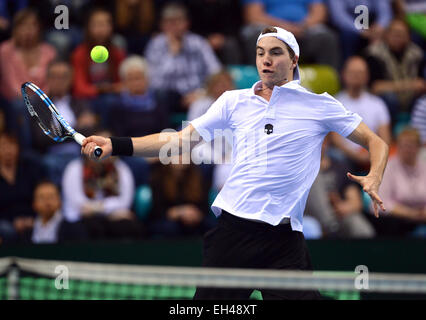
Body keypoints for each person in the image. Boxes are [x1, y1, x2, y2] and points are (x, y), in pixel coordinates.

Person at [81, 26, 389, 300]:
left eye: (275, 53)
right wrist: (116, 145)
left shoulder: (320, 105)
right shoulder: (233, 101)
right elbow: (177, 141)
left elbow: (377, 142)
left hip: (284, 240)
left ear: (294, 60)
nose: (265, 59)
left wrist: (374, 175)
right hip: (234, 233)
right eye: (260, 53)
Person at [62, 131, 144, 240]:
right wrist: (103, 209)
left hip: (111, 216)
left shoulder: (120, 168)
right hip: (80, 218)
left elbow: (124, 201)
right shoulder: (75, 168)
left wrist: (98, 209)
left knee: (128, 225)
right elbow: (78, 202)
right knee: (92, 226)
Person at [144, 2, 221, 111]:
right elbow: (154, 82)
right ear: (162, 25)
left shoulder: (198, 43)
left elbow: (215, 72)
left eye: (178, 21)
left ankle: (195, 128)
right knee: (159, 96)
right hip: (168, 98)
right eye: (170, 22)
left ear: (186, 23)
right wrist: (172, 55)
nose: (174, 26)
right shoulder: (156, 45)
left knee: (206, 102)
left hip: (198, 95)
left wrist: (201, 93)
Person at [305, 135, 376, 238]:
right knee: (314, 176)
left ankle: (369, 251)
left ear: (328, 143)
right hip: (309, 213)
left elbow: (356, 202)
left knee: (359, 225)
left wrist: (344, 207)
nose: (320, 144)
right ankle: (330, 224)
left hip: (337, 214)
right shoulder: (301, 167)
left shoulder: (340, 167)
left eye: (323, 141)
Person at [330, 56, 392, 172]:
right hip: (346, 157)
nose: (356, 76)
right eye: (352, 72)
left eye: (360, 72)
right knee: (336, 156)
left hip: (372, 155)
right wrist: (357, 156)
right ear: (344, 74)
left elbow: (385, 138)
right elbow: (335, 140)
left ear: (367, 76)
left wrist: (372, 155)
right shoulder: (335, 103)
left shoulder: (378, 103)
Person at [241, 0, 340, 69]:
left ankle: (329, 90)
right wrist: (283, 27)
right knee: (255, 35)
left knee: (326, 37)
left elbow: (319, 12)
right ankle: (259, 85)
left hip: (304, 30)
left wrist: (303, 26)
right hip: (270, 29)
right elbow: (254, 15)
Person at [364, 19, 425, 123]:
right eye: (394, 33)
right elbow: (376, 87)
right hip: (386, 100)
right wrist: (409, 85)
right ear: (386, 34)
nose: (397, 37)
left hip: (411, 99)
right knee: (390, 98)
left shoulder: (417, 53)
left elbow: (421, 84)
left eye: (401, 34)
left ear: (408, 36)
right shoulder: (373, 54)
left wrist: (392, 86)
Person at [372, 127, 426, 237]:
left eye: (412, 146)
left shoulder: (424, 167)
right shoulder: (388, 167)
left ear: (419, 147)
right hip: (397, 220)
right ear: (398, 147)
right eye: (404, 145)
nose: (408, 149)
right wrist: (410, 214)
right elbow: (381, 202)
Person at [0, 8, 56, 101]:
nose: (28, 30)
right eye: (23, 25)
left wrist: (41, 99)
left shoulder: (49, 51)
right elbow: (10, 85)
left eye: (33, 25)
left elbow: (50, 84)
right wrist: (29, 101)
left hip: (43, 101)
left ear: (39, 29)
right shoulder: (5, 50)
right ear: (15, 29)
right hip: (14, 100)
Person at [71, 7, 125, 99]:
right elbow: (79, 89)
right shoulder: (79, 54)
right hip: (87, 100)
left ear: (111, 27)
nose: (100, 30)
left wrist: (111, 89)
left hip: (113, 98)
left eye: (104, 25)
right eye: (96, 25)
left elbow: (123, 85)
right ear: (88, 28)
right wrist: (101, 90)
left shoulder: (117, 53)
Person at [108, 55, 169, 137]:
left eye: (138, 78)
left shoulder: (159, 102)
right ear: (124, 82)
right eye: (130, 79)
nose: (135, 83)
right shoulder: (117, 106)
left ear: (146, 79)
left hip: (155, 147)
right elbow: (118, 135)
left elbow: (165, 131)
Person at [0, 132, 41, 244]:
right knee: (6, 230)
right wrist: (13, 222)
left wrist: (31, 220)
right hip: (4, 223)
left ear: (18, 148)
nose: (8, 150)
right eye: (3, 146)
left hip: (31, 219)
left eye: (11, 145)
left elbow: (38, 196)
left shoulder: (28, 170)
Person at [20, 181, 88, 244]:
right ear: (34, 204)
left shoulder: (74, 230)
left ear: (60, 202)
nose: (47, 201)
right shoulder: (26, 233)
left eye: (51, 196)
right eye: (42, 197)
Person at [327, 0, 393, 60]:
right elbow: (339, 16)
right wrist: (360, 30)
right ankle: (349, 67)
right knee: (348, 36)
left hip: (372, 23)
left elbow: (385, 12)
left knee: (390, 33)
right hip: (349, 27)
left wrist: (379, 26)